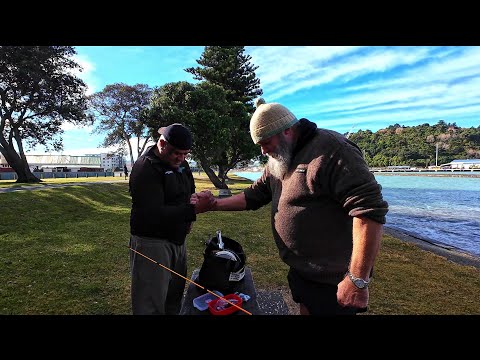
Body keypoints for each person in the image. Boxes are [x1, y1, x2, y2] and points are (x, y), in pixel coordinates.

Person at [195, 98, 389, 315]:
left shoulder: (333, 150)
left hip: (333, 280)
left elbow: (368, 212)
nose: (263, 151)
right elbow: (254, 195)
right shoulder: (280, 158)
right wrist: (213, 204)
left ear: (286, 131)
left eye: (265, 143)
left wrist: (357, 280)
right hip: (301, 271)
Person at [128, 123, 214, 315]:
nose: (181, 159)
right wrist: (193, 211)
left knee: (173, 298)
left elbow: (188, 188)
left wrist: (195, 199)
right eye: (177, 153)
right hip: (152, 244)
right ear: (162, 143)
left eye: (185, 154)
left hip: (177, 240)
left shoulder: (181, 163)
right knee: (150, 304)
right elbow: (153, 214)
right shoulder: (145, 168)